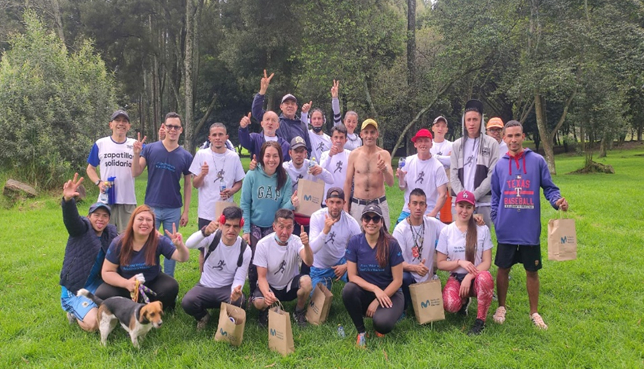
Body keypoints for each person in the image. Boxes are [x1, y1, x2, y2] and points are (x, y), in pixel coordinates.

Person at [491, 120, 569, 330]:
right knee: (502, 268)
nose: (513, 140)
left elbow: (550, 188)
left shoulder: (537, 161)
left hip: (528, 229)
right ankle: (501, 307)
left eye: (517, 135)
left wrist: (557, 201)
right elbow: (496, 196)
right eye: (509, 136)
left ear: (523, 136)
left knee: (532, 271)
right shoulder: (499, 165)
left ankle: (534, 312)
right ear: (504, 138)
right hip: (506, 228)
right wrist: (496, 219)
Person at [132, 112, 193, 278]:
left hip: (173, 208)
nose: (172, 129)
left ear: (181, 130)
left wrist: (186, 211)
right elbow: (136, 172)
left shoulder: (186, 156)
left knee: (171, 247)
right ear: (164, 128)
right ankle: (146, 279)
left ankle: (169, 283)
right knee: (147, 244)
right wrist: (137, 153)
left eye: (176, 127)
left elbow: (188, 185)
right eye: (169, 126)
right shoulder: (151, 149)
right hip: (151, 207)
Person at [95, 205, 190, 310]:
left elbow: (182, 258)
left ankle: (147, 308)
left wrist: (180, 246)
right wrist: (126, 283)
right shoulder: (119, 242)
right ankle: (131, 306)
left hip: (151, 282)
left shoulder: (159, 240)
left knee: (171, 287)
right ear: (132, 223)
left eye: (149, 220)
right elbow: (107, 272)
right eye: (140, 219)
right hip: (125, 283)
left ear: (153, 225)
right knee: (102, 294)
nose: (144, 223)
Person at [59, 174, 119, 331]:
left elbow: (125, 243)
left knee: (119, 307)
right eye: (96, 215)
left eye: (105, 216)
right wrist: (68, 201)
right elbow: (71, 220)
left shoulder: (110, 234)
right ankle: (73, 310)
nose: (101, 219)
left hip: (97, 284)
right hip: (75, 288)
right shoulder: (81, 229)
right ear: (88, 217)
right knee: (94, 324)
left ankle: (92, 306)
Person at [342, 204, 404, 347]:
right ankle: (361, 331)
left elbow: (398, 281)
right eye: (367, 218)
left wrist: (377, 300)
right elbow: (352, 276)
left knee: (382, 325)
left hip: (390, 293)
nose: (371, 222)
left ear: (381, 222)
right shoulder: (355, 242)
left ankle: (383, 316)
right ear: (362, 221)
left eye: (375, 219)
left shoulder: (392, 244)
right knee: (348, 290)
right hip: (367, 291)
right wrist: (375, 290)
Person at [182, 206, 252, 330]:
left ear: (241, 227)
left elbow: (240, 277)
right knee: (187, 302)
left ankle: (226, 318)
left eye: (235, 226)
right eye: (227, 225)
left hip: (226, 289)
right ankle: (203, 316)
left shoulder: (245, 249)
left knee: (240, 301)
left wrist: (235, 291)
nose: (231, 230)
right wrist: (204, 232)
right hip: (205, 286)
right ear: (221, 225)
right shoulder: (212, 237)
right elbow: (189, 244)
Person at [240, 141, 295, 295]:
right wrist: (246, 230)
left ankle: (270, 293)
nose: (272, 160)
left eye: (275, 156)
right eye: (268, 156)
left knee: (272, 262)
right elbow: (245, 203)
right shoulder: (252, 175)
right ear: (262, 157)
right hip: (255, 226)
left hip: (275, 227)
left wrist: (292, 203)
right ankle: (254, 294)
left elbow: (284, 207)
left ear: (280, 157)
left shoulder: (285, 177)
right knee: (253, 262)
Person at [436, 190, 494, 335]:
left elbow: (487, 262)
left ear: (474, 208)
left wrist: (469, 276)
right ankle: (463, 302)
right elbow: (441, 263)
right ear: (455, 206)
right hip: (456, 277)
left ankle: (480, 320)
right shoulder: (447, 231)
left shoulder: (482, 229)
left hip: (476, 279)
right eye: (461, 206)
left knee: (485, 278)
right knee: (450, 304)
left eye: (468, 207)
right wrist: (459, 262)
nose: (464, 210)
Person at [252, 209, 314, 327]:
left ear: (293, 227)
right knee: (259, 302)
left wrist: (306, 245)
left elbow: (309, 262)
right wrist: (266, 293)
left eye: (289, 227)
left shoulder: (296, 241)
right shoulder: (263, 244)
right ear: (274, 226)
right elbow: (261, 276)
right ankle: (265, 310)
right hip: (270, 285)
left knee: (307, 282)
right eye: (281, 227)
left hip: (288, 286)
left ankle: (299, 310)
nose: (285, 232)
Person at [392, 188, 445, 310]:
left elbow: (451, 231)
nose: (418, 207)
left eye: (421, 203)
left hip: (427, 278)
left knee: (431, 311)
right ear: (408, 205)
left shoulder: (432, 223)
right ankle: (404, 306)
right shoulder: (400, 230)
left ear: (426, 206)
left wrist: (470, 220)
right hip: (409, 277)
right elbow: (395, 262)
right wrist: (415, 268)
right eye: (415, 203)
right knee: (404, 277)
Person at [450, 100, 499, 229]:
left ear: (481, 121)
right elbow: (453, 175)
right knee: (458, 242)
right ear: (464, 122)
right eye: (468, 120)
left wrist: (474, 196)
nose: (471, 123)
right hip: (459, 204)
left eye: (475, 119)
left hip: (483, 203)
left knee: (482, 242)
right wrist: (464, 198)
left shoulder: (491, 144)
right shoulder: (457, 145)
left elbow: (492, 175)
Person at [85, 109, 137, 233]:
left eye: (125, 121)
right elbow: (90, 169)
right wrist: (99, 182)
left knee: (126, 238)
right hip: (106, 200)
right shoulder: (100, 144)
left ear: (129, 126)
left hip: (127, 200)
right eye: (117, 120)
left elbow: (146, 161)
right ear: (111, 125)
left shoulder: (135, 144)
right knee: (103, 235)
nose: (121, 123)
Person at [190, 122, 245, 230]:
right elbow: (195, 184)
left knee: (224, 243)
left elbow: (239, 182)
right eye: (214, 135)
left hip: (226, 210)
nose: (218, 138)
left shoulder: (233, 157)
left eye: (221, 134)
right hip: (206, 212)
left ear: (226, 137)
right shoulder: (201, 155)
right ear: (209, 138)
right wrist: (202, 174)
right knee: (205, 245)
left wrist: (232, 191)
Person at [308, 187, 361, 293]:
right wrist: (325, 231)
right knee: (318, 299)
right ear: (326, 202)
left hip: (341, 261)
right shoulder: (316, 217)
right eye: (331, 202)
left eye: (338, 202)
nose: (335, 206)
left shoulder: (351, 222)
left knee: (362, 278)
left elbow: (361, 248)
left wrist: (346, 265)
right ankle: (324, 282)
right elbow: (312, 249)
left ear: (344, 203)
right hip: (320, 267)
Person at [344, 119, 394, 230]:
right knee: (357, 238)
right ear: (361, 134)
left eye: (372, 132)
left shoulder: (384, 155)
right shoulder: (354, 155)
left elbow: (391, 183)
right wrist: (346, 206)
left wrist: (384, 169)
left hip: (378, 203)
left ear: (377, 134)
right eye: (366, 132)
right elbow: (347, 182)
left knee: (382, 239)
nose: (369, 136)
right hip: (358, 204)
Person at [395, 128, 448, 224]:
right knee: (396, 236)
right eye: (420, 141)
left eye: (426, 141)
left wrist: (433, 213)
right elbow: (402, 187)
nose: (423, 144)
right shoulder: (408, 162)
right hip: (408, 211)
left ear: (431, 144)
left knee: (434, 238)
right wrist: (401, 178)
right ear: (415, 144)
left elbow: (443, 194)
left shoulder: (437, 166)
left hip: (429, 211)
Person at [252, 70, 312, 153]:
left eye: (292, 104)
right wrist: (262, 92)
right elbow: (256, 112)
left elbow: (308, 148)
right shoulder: (275, 122)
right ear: (281, 107)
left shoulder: (302, 126)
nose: (290, 106)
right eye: (287, 103)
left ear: (296, 107)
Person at [320, 125, 351, 201]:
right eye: (336, 137)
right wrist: (330, 155)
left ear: (345, 140)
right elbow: (321, 171)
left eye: (341, 137)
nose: (338, 140)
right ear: (331, 139)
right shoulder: (325, 154)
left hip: (344, 198)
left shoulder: (350, 155)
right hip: (328, 197)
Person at [330, 80, 362, 151]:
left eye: (354, 122)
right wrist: (335, 98)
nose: (351, 124)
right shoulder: (340, 133)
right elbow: (336, 114)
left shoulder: (359, 140)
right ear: (344, 121)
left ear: (357, 123)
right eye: (349, 121)